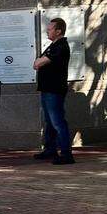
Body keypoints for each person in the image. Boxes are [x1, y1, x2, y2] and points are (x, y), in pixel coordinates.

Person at [33, 17, 74, 164]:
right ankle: (50, 149)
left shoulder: (61, 46)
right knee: (49, 122)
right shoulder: (52, 45)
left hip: (54, 89)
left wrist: (39, 61)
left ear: (59, 31)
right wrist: (39, 61)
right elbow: (36, 63)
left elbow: (40, 62)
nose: (47, 31)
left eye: (50, 29)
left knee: (58, 122)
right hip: (47, 89)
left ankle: (66, 154)